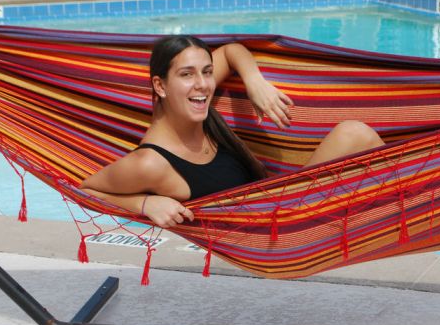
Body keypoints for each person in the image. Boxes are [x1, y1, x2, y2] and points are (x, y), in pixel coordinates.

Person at [80, 35, 383, 228]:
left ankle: (417, 207)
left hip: (284, 198)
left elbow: (232, 51)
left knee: (354, 135)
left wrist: (254, 81)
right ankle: (418, 210)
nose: (202, 84)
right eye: (187, 75)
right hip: (275, 227)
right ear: (160, 85)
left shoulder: (194, 104)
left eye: (207, 72)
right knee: (354, 135)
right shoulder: (151, 162)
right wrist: (145, 204)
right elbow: (85, 191)